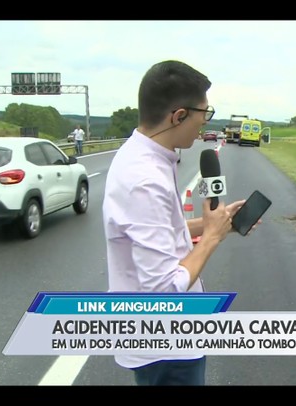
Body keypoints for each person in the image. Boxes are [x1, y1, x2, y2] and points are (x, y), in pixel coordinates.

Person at [102, 60, 256, 386]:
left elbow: (159, 235)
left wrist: (214, 223)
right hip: (165, 346)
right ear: (179, 116)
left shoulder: (148, 156)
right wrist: (212, 238)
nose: (204, 126)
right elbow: (162, 290)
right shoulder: (144, 179)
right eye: (204, 116)